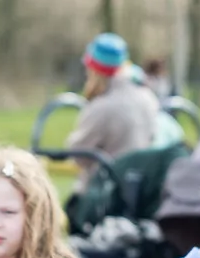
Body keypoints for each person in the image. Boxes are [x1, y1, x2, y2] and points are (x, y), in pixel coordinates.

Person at [63, 33, 160, 162]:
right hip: (142, 178)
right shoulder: (147, 97)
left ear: (93, 70)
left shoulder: (102, 107)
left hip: (107, 179)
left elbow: (78, 153)